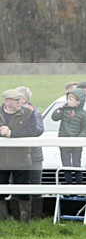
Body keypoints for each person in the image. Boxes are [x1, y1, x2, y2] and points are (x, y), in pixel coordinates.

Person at [0, 89, 39, 222]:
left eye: (20, 100)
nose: (20, 102)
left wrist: (12, 133)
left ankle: (24, 221)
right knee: (0, 190)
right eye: (16, 100)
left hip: (21, 158)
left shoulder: (28, 114)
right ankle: (3, 220)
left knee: (23, 190)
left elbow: (33, 131)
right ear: (7, 101)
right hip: (1, 159)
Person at [51, 87, 86, 185]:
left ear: (79, 102)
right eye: (68, 98)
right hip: (64, 143)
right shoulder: (64, 111)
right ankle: (68, 184)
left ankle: (79, 184)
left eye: (71, 99)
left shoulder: (84, 115)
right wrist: (60, 109)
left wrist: (78, 140)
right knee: (66, 165)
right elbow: (54, 118)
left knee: (77, 164)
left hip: (76, 145)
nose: (68, 101)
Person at [15, 87, 45, 218]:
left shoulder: (35, 113)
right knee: (16, 186)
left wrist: (17, 131)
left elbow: (38, 130)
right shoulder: (11, 113)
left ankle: (37, 216)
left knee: (35, 186)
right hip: (16, 156)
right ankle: (19, 217)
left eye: (17, 98)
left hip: (34, 155)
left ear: (24, 99)